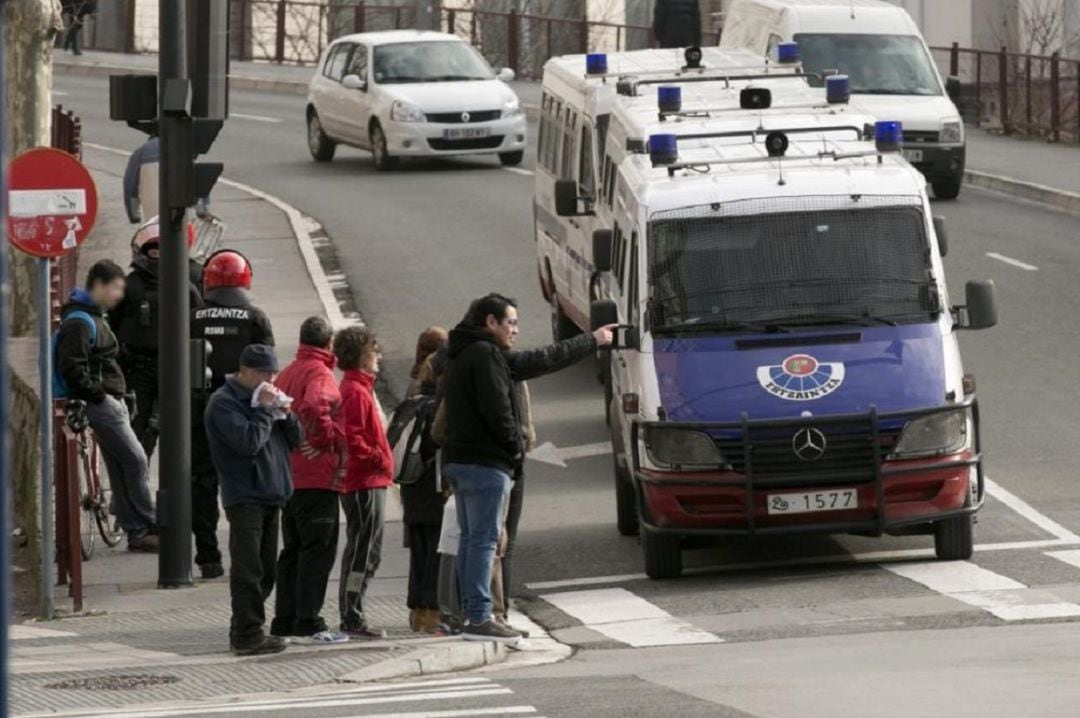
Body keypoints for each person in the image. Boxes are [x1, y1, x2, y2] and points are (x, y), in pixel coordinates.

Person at [441, 294, 614, 643]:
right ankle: (478, 617)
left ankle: (470, 615)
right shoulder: (485, 355)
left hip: (462, 461)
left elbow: (538, 360)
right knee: (484, 541)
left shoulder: (464, 352)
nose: (516, 329)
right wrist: (515, 450)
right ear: (490, 322)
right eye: (511, 323)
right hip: (485, 462)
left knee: (473, 540)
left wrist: (590, 340)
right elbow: (498, 411)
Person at [205, 344, 301, 656]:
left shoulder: (267, 401)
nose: (269, 379)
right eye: (262, 373)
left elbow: (296, 441)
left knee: (267, 568)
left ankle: (245, 627)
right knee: (248, 568)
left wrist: (286, 415)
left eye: (273, 373)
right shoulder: (223, 403)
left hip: (273, 492)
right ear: (244, 371)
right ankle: (247, 633)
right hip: (245, 495)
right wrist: (264, 410)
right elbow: (248, 443)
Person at [56, 260, 158, 553]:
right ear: (99, 285)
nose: (119, 296)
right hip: (101, 403)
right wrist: (100, 395)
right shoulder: (79, 320)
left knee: (119, 464)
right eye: (115, 288)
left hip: (109, 399)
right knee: (136, 459)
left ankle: (136, 530)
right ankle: (147, 523)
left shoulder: (92, 315)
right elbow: (72, 366)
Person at [190, 250, 275, 580]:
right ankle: (250, 558)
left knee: (202, 483)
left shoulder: (192, 318)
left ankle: (208, 556)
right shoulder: (255, 318)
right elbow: (269, 373)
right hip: (246, 416)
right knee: (247, 487)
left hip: (201, 413)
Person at [270, 317, 348, 644]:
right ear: (328, 344)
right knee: (318, 550)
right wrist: (325, 440)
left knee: (293, 550)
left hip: (289, 475)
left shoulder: (287, 372)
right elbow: (317, 405)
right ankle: (308, 619)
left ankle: (284, 618)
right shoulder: (320, 373)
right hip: (317, 476)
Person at [111, 217, 203, 460]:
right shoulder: (182, 287)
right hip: (157, 368)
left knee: (149, 428)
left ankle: (141, 484)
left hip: (153, 368)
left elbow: (111, 325)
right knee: (158, 429)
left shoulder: (130, 286)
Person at [334, 326, 394, 640]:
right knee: (363, 550)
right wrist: (380, 460)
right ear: (361, 356)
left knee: (367, 549)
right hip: (364, 481)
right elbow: (355, 439)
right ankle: (352, 613)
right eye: (374, 351)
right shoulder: (355, 391)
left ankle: (353, 610)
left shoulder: (359, 387)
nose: (378, 357)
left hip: (369, 479)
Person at [394, 340, 447, 634]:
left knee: (419, 552)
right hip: (434, 487)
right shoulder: (436, 408)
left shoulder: (410, 404)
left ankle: (416, 612)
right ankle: (431, 614)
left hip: (410, 486)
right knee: (435, 553)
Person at [122, 136, 159, 225]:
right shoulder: (181, 147)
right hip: (179, 212)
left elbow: (130, 187)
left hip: (154, 215)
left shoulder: (141, 152)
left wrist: (134, 215)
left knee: (154, 227)